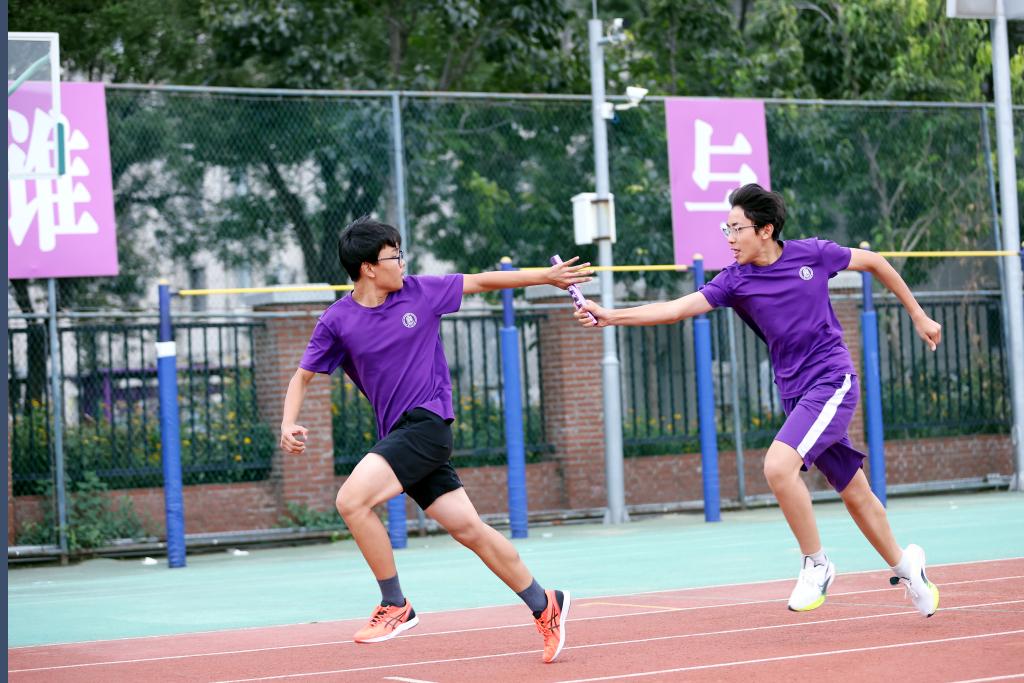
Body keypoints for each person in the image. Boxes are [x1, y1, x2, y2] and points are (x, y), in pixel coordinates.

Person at [573, 183, 942, 617]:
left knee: (777, 467)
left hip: (832, 380)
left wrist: (918, 313)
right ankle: (908, 567)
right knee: (854, 491)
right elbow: (675, 309)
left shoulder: (813, 255)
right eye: (726, 229)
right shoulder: (735, 280)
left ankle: (817, 565)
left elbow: (875, 261)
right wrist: (610, 315)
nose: (729, 238)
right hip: (795, 393)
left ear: (765, 230)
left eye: (737, 229)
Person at [280, 216, 591, 662]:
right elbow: (303, 376)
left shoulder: (420, 293)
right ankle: (545, 603)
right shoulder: (337, 321)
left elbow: (482, 281)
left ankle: (395, 604)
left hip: (427, 425)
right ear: (368, 267)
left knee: (351, 501)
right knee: (470, 530)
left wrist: (546, 277)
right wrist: (288, 422)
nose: (402, 262)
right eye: (394, 256)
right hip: (401, 435)